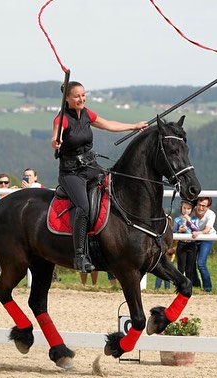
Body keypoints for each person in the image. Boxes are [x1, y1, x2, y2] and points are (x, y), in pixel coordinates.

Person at [50, 80, 147, 272]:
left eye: (83, 95)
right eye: (77, 96)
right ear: (67, 98)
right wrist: (56, 142)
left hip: (90, 167)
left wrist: (133, 126)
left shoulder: (87, 114)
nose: (81, 99)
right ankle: (79, 255)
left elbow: (108, 124)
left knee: (114, 188)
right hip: (71, 172)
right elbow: (56, 136)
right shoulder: (62, 119)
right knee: (83, 206)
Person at [192, 196, 216, 292]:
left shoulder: (211, 214)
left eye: (204, 206)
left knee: (201, 263)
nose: (200, 208)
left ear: (208, 207)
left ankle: (208, 288)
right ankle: (196, 286)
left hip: (207, 238)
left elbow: (207, 229)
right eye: (199, 205)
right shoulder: (192, 212)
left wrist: (198, 233)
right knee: (191, 264)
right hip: (194, 238)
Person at [174, 200, 200, 288]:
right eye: (184, 208)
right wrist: (179, 231)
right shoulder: (177, 220)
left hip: (191, 244)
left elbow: (196, 229)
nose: (186, 210)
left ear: (192, 210)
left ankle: (189, 286)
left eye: (188, 208)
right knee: (181, 267)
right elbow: (174, 232)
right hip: (182, 243)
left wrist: (189, 221)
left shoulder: (195, 219)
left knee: (190, 268)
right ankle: (179, 285)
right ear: (181, 208)